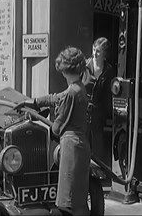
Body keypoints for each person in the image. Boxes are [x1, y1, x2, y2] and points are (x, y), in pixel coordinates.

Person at [15, 47, 91, 215]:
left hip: (71, 147)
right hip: (81, 146)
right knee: (79, 200)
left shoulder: (71, 93)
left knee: (67, 203)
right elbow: (56, 98)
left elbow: (57, 128)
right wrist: (32, 102)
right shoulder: (80, 88)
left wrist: (41, 118)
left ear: (64, 70)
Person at [81, 37, 115, 149]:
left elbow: (107, 95)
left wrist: (106, 113)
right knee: (82, 144)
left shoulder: (108, 70)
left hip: (98, 114)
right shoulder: (84, 66)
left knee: (97, 146)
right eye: (94, 50)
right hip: (82, 111)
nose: (95, 53)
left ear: (105, 54)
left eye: (98, 51)